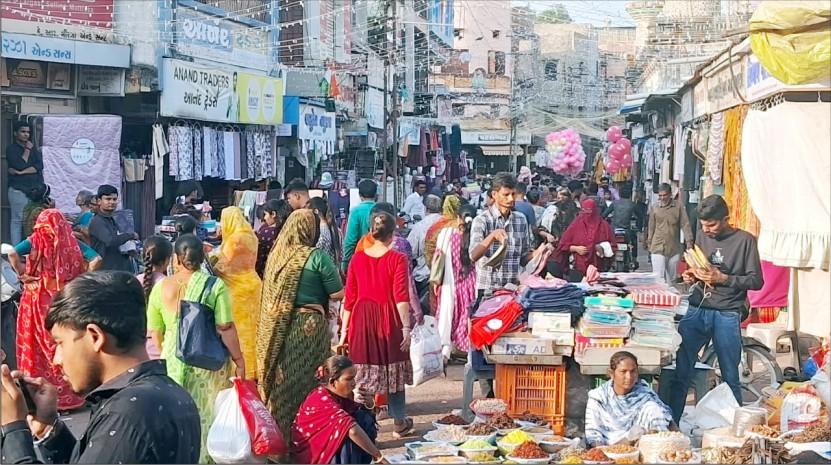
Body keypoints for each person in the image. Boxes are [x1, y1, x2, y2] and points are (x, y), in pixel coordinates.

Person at [0, 271, 201, 464]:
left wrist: (14, 429)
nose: (56, 360)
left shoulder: (128, 413)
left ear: (95, 337)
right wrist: (48, 427)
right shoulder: (167, 392)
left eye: (60, 343)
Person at [146, 234, 245, 463]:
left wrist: (170, 352)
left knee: (176, 414)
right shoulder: (214, 285)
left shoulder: (160, 287)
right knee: (206, 413)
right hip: (206, 362)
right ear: (202, 258)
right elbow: (225, 327)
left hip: (172, 359)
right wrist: (239, 360)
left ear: (176, 259)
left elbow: (156, 332)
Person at [670, 195, 763, 423]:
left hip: (727, 312)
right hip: (698, 308)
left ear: (725, 219)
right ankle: (671, 424)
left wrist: (723, 278)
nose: (706, 230)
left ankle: (735, 428)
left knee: (730, 376)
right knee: (681, 370)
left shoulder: (745, 241)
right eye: (703, 225)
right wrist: (691, 275)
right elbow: (699, 267)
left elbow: (756, 281)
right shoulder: (702, 235)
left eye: (711, 225)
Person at [257, 209, 344, 437]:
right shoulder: (316, 257)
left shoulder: (276, 257)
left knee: (283, 383)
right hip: (309, 327)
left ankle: (281, 439)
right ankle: (310, 437)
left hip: (278, 328)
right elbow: (337, 293)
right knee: (310, 382)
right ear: (311, 230)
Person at [7, 209, 101, 411]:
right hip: (64, 298)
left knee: (36, 345)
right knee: (61, 344)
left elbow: (12, 252)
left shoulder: (35, 239)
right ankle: (70, 397)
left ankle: (37, 397)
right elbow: (96, 259)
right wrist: (81, 279)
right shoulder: (71, 241)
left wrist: (22, 273)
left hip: (36, 298)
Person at [339, 211, 414, 438]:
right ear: (392, 234)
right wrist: (406, 327)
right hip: (389, 318)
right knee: (395, 370)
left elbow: (349, 298)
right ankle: (399, 422)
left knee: (363, 374)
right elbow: (401, 297)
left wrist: (344, 331)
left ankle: (366, 425)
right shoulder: (397, 259)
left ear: (371, 233)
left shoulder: (357, 259)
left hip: (361, 319)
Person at [291, 355, 383, 464]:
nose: (354, 383)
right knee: (346, 435)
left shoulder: (339, 397)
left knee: (362, 417)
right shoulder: (321, 400)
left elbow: (361, 419)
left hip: (328, 450)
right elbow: (353, 431)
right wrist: (379, 457)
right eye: (349, 379)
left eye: (354, 378)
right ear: (333, 382)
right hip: (312, 456)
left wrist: (369, 404)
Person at [585, 351, 674, 447]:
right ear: (612, 374)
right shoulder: (598, 397)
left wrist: (681, 443)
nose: (629, 377)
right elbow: (592, 433)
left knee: (653, 408)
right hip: (607, 448)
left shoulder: (645, 394)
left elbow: (667, 420)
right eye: (623, 372)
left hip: (642, 447)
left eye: (633, 371)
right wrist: (603, 452)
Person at [469, 173, 535, 298]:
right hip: (488, 289)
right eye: (506, 195)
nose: (511, 199)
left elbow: (523, 258)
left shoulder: (520, 219)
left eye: (513, 194)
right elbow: (473, 256)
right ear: (494, 194)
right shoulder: (482, 220)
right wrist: (492, 236)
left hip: (512, 289)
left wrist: (539, 253)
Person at [214, 206, 262, 379]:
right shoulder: (252, 236)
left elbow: (222, 266)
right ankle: (256, 367)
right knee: (254, 329)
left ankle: (243, 369)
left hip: (236, 289)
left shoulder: (234, 240)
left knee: (240, 332)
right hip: (253, 285)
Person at [432, 203, 477, 359]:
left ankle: (446, 351)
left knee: (449, 317)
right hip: (470, 285)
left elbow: (438, 258)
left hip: (449, 283)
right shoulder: (476, 238)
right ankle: (468, 350)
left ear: (458, 218)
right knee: (466, 318)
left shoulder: (446, 235)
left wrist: (436, 283)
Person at [644, 183, 694, 284]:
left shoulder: (678, 207)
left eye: (665, 195)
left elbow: (685, 225)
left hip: (673, 247)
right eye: (660, 195)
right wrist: (649, 242)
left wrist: (689, 242)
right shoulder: (655, 207)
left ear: (670, 194)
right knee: (659, 277)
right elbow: (651, 226)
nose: (662, 198)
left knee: (672, 280)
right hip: (657, 246)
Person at [6, 121, 44, 245]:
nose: (26, 134)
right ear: (15, 133)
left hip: (34, 191)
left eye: (28, 132)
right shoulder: (11, 149)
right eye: (23, 131)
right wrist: (27, 149)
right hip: (18, 190)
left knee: (32, 220)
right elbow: (20, 164)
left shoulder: (34, 149)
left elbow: (39, 166)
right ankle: (16, 250)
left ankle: (30, 250)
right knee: (18, 221)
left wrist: (21, 172)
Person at [136, 235, 173, 360]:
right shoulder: (168, 285)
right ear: (167, 260)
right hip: (161, 349)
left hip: (137, 349)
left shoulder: (134, 281)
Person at [558, 199, 616, 275]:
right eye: (585, 211)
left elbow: (613, 246)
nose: (587, 215)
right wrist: (575, 248)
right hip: (578, 268)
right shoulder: (576, 225)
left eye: (590, 211)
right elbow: (562, 245)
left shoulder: (603, 226)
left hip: (598, 268)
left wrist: (602, 248)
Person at [88, 185, 138, 272]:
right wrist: (131, 235)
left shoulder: (112, 219)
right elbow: (110, 241)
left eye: (114, 199)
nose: (112, 202)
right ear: (99, 201)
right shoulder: (97, 221)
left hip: (119, 268)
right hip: (106, 271)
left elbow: (118, 239)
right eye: (108, 199)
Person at [407, 194, 443, 292]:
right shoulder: (447, 223)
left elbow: (411, 251)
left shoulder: (419, 226)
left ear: (426, 208)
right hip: (444, 274)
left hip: (424, 275)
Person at [342, 179, 378, 272]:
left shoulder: (356, 212)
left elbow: (350, 241)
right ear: (376, 195)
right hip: (381, 260)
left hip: (361, 262)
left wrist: (345, 263)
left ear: (360, 195)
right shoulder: (382, 210)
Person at [255, 199, 292, 278]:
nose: (264, 218)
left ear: (273, 214)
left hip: (266, 273)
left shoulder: (266, 232)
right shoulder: (288, 230)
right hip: (282, 273)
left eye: (265, 214)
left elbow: (259, 257)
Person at [310, 196, 343, 267]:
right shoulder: (337, 230)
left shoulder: (321, 232)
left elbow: (319, 251)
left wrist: (322, 220)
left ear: (316, 211)